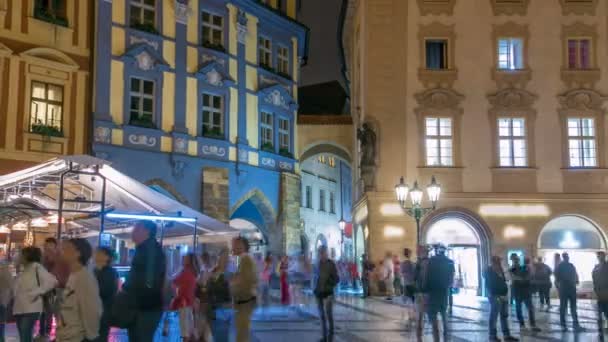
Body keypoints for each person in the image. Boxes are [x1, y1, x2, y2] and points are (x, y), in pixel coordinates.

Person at [122, 220, 167, 341]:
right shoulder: (145, 249)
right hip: (144, 307)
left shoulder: (150, 250)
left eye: (136, 229)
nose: (133, 232)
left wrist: (127, 289)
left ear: (146, 231)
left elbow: (149, 282)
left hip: (146, 308)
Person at [56, 238, 102, 342]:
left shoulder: (85, 278)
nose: (63, 250)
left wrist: (90, 336)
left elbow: (92, 310)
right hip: (66, 335)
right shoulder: (73, 275)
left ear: (78, 253)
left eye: (67, 248)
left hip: (77, 337)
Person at [13, 246, 57, 342]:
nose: (19, 256)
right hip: (19, 308)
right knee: (23, 336)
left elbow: (52, 281)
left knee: (25, 334)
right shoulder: (25, 270)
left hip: (30, 308)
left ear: (27, 256)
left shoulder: (37, 267)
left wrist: (36, 292)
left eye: (21, 254)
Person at [39, 237, 70, 339]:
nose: (47, 247)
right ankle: (43, 332)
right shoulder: (44, 257)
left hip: (57, 288)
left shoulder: (60, 257)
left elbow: (59, 272)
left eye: (50, 245)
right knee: (44, 310)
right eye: (46, 245)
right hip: (46, 287)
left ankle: (52, 333)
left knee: (55, 312)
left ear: (56, 246)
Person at [485, 256, 518, 342]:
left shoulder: (500, 269)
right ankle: (492, 336)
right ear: (494, 262)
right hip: (495, 296)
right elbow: (490, 285)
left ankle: (506, 335)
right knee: (494, 316)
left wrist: (505, 294)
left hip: (503, 295)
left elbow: (503, 281)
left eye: (500, 261)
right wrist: (497, 295)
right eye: (498, 261)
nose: (500, 263)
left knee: (504, 316)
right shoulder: (489, 271)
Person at [230, 237, 258, 342]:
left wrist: (232, 287)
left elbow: (245, 283)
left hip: (244, 303)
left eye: (234, 244)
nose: (232, 247)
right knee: (242, 332)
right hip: (244, 302)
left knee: (242, 333)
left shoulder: (246, 260)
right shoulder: (244, 260)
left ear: (241, 246)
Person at [425, 246, 455, 341]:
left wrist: (426, 291)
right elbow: (452, 277)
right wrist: (448, 286)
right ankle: (446, 337)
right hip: (444, 291)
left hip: (433, 292)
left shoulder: (431, 261)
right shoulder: (450, 261)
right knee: (444, 314)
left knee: (433, 317)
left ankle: (436, 339)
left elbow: (427, 276)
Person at [170, 253, 199, 342]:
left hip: (184, 301)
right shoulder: (194, 272)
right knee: (189, 325)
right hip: (190, 300)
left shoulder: (186, 272)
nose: (182, 259)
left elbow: (174, 282)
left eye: (184, 258)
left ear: (188, 261)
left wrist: (175, 295)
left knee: (184, 327)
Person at [509, 254, 541, 333]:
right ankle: (522, 325)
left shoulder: (523, 267)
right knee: (519, 309)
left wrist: (523, 278)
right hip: (518, 291)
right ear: (512, 260)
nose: (516, 261)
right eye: (514, 260)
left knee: (530, 308)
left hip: (525, 291)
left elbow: (529, 276)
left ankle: (532, 325)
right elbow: (514, 277)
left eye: (517, 259)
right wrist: (523, 278)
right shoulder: (511, 269)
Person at [314, 245, 339, 342]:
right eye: (319, 253)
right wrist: (314, 287)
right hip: (318, 292)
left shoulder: (331, 264)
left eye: (322, 253)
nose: (320, 255)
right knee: (321, 315)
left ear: (325, 253)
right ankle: (324, 336)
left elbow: (337, 279)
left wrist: (329, 284)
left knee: (329, 314)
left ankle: (331, 333)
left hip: (328, 293)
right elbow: (314, 276)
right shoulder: (317, 264)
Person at [94, 247, 118, 342]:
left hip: (103, 312)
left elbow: (105, 291)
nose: (95, 255)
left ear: (106, 257)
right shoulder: (97, 270)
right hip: (97, 311)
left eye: (99, 253)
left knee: (100, 337)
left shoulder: (109, 272)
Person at [555, 252, 583, 332]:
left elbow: (575, 274)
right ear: (564, 257)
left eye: (568, 256)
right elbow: (557, 277)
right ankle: (565, 325)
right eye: (566, 256)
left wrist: (576, 281)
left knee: (572, 307)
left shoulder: (569, 265)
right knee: (564, 307)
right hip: (565, 288)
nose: (567, 257)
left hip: (569, 288)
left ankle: (574, 324)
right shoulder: (561, 266)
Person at [414, 245, 430, 340]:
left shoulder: (419, 263)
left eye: (418, 251)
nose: (417, 253)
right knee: (429, 314)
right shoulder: (430, 262)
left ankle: (419, 336)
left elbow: (416, 277)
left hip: (421, 291)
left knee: (420, 314)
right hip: (427, 291)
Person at [593, 251, 608, 336]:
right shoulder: (596, 267)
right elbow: (594, 278)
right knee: (599, 312)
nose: (599, 257)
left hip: (606, 293)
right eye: (598, 256)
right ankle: (600, 329)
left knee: (606, 311)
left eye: (601, 256)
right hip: (599, 293)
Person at [400, 248, 416, 326]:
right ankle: (412, 315)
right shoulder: (412, 263)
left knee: (408, 299)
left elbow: (402, 273)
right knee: (413, 300)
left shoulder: (402, 263)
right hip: (412, 284)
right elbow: (415, 273)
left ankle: (410, 315)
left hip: (406, 283)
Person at [0, 260, 13, 342]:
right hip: (4, 302)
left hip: (3, 301)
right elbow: (12, 288)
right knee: (1, 321)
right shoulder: (7, 273)